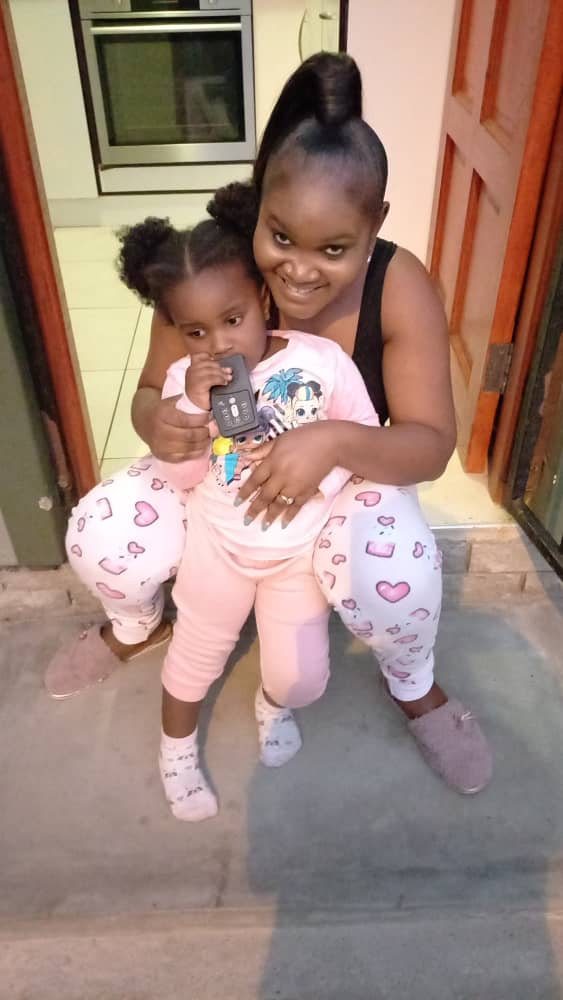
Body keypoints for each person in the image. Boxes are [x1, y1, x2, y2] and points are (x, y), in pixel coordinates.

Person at [46, 52, 492, 795]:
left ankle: (412, 683)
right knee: (103, 536)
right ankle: (138, 627)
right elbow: (151, 390)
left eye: (334, 249)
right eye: (279, 238)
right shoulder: (216, 267)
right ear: (258, 211)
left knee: (394, 573)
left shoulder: (397, 284)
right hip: (218, 485)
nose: (300, 271)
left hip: (344, 478)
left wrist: (330, 441)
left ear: (374, 225)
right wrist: (158, 421)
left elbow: (429, 446)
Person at [116, 212, 380, 820]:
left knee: (301, 678)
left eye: (232, 320)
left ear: (262, 300)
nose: (218, 345)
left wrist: (319, 472)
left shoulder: (321, 362)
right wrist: (192, 406)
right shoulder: (184, 381)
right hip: (219, 547)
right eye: (196, 332)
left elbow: (364, 439)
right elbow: (182, 478)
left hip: (296, 552)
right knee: (194, 658)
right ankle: (175, 750)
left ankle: (273, 704)